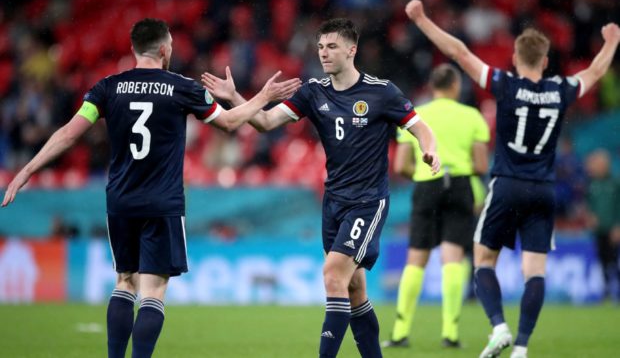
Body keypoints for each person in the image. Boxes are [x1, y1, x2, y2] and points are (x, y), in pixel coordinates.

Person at [1, 18, 300, 358]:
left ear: (133, 49)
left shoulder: (107, 87)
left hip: (121, 200)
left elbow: (69, 133)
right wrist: (262, 96)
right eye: (170, 45)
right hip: (162, 201)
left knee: (124, 280)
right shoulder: (181, 87)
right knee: (153, 291)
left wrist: (26, 170)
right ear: (163, 49)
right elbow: (231, 123)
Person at [202, 18, 440, 358]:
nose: (323, 53)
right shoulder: (314, 92)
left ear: (351, 50)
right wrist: (236, 97)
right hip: (334, 202)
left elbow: (420, 127)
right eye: (320, 47)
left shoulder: (381, 91)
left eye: (331, 46)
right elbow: (265, 122)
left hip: (367, 202)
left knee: (332, 275)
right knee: (354, 287)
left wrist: (428, 148)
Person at [404, 0, 620, 358]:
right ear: (546, 61)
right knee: (534, 271)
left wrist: (422, 19)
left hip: (506, 183)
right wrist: (612, 40)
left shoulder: (504, 83)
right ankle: (521, 346)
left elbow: (459, 52)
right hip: (544, 189)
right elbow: (595, 73)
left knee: (482, 259)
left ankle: (499, 327)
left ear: (516, 59)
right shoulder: (560, 90)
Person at [382, 63, 489, 349]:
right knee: (453, 257)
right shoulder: (472, 116)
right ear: (455, 86)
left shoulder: (417, 114)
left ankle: (400, 332)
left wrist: (420, 174)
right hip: (461, 185)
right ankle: (450, 334)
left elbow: (401, 164)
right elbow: (480, 164)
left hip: (427, 184)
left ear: (432, 87)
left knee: (417, 257)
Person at [584, 149, 620, 300]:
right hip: (599, 231)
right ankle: (606, 292)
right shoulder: (592, 184)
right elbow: (589, 205)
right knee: (603, 261)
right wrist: (590, 217)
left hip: (613, 230)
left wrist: (618, 226)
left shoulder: (615, 184)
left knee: (615, 262)